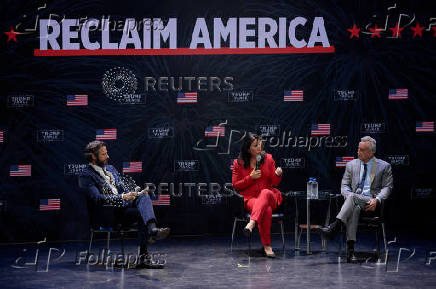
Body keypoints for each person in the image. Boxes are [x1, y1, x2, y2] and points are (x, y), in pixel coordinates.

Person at [78, 140, 170, 269]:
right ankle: (145, 255)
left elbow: (122, 188)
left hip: (122, 208)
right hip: (107, 214)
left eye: (107, 153)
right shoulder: (86, 175)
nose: (107, 156)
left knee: (143, 195)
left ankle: (153, 230)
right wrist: (122, 197)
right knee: (140, 214)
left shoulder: (111, 168)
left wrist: (131, 194)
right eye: (103, 154)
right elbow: (97, 199)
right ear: (93, 156)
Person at [321, 136, 393, 262]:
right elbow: (344, 185)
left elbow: (388, 187)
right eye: (358, 149)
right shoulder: (351, 165)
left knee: (353, 200)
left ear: (371, 152)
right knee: (354, 207)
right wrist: (348, 194)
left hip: (371, 204)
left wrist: (377, 200)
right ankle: (350, 252)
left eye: (362, 150)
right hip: (354, 202)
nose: (358, 152)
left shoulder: (384, 166)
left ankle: (335, 226)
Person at [232, 132, 283, 258]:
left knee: (265, 193)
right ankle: (267, 246)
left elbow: (274, 182)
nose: (259, 147)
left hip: (271, 196)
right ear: (248, 148)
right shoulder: (238, 163)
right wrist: (250, 178)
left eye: (260, 144)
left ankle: (252, 223)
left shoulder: (268, 159)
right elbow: (236, 185)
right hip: (251, 199)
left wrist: (277, 174)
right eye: (256, 145)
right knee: (266, 210)